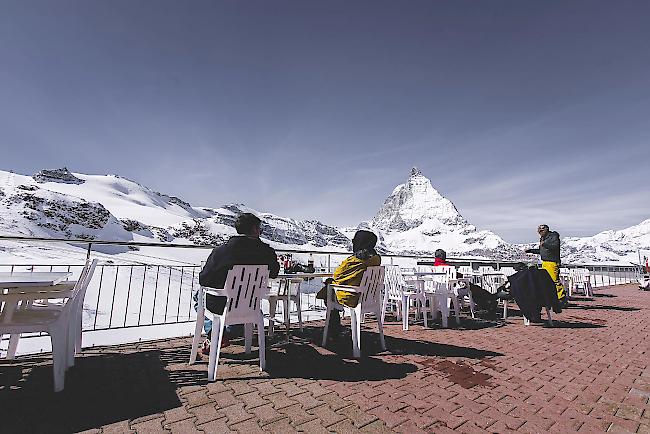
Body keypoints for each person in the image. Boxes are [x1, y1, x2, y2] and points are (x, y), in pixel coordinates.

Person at [196, 213, 280, 356]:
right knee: (236, 310)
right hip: (251, 306)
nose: (260, 232)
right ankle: (228, 332)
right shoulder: (267, 252)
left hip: (222, 304)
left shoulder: (221, 251)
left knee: (198, 296)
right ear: (254, 229)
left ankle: (215, 334)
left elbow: (204, 280)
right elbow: (274, 273)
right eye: (260, 229)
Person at [316, 230, 381, 336]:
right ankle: (335, 328)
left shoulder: (355, 260)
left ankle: (333, 329)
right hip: (368, 298)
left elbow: (337, 275)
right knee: (330, 289)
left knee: (328, 291)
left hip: (353, 297)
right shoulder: (376, 259)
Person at [431, 249, 505, 316]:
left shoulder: (434, 267)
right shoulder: (447, 267)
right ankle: (489, 301)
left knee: (473, 289)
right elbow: (458, 276)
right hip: (452, 290)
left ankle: (488, 303)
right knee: (473, 290)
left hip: (440, 289)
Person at [525, 224, 567, 306]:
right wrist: (531, 250)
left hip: (552, 262)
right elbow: (542, 251)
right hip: (544, 262)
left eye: (542, 230)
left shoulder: (553, 236)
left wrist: (544, 244)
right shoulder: (543, 238)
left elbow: (555, 247)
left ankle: (561, 299)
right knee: (546, 281)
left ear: (546, 230)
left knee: (554, 281)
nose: (540, 232)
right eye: (539, 231)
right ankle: (552, 298)